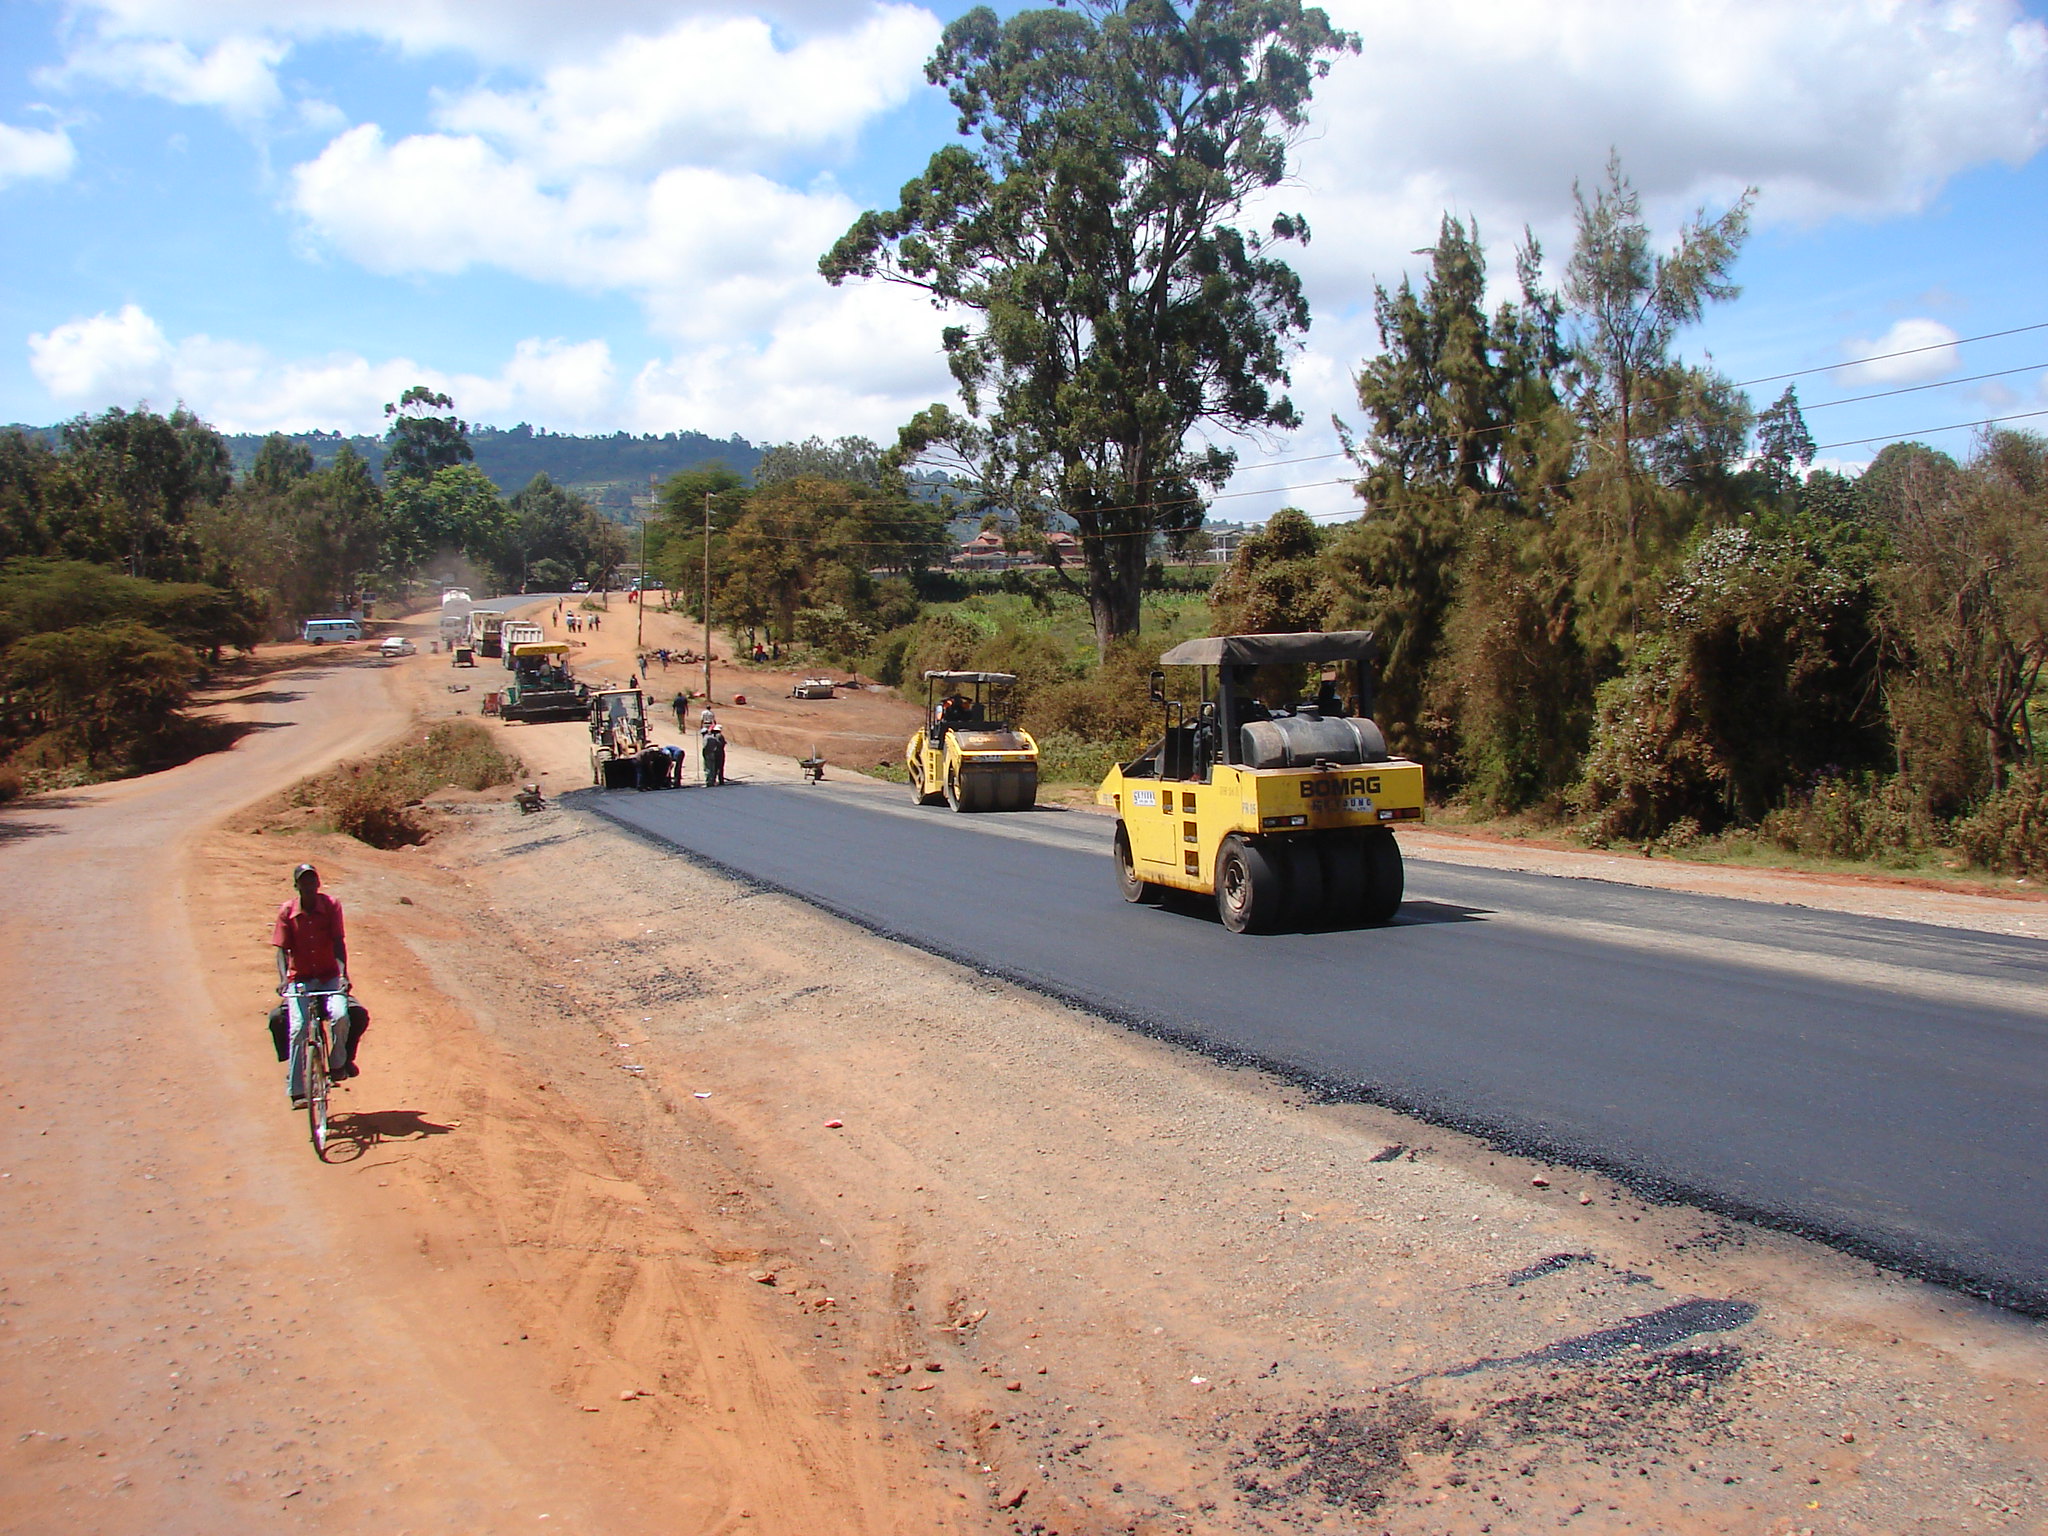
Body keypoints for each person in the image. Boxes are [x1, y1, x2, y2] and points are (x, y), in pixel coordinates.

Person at [271, 863, 363, 1109]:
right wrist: (283, 978)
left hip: (328, 976)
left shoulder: (332, 906)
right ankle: (297, 1090)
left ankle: (337, 1063)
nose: (309, 886)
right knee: (298, 1029)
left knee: (341, 1015)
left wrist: (343, 974)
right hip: (300, 978)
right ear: (297, 886)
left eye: (313, 880)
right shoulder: (287, 912)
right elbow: (281, 950)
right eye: (304, 881)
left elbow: (338, 942)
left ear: (318, 884)